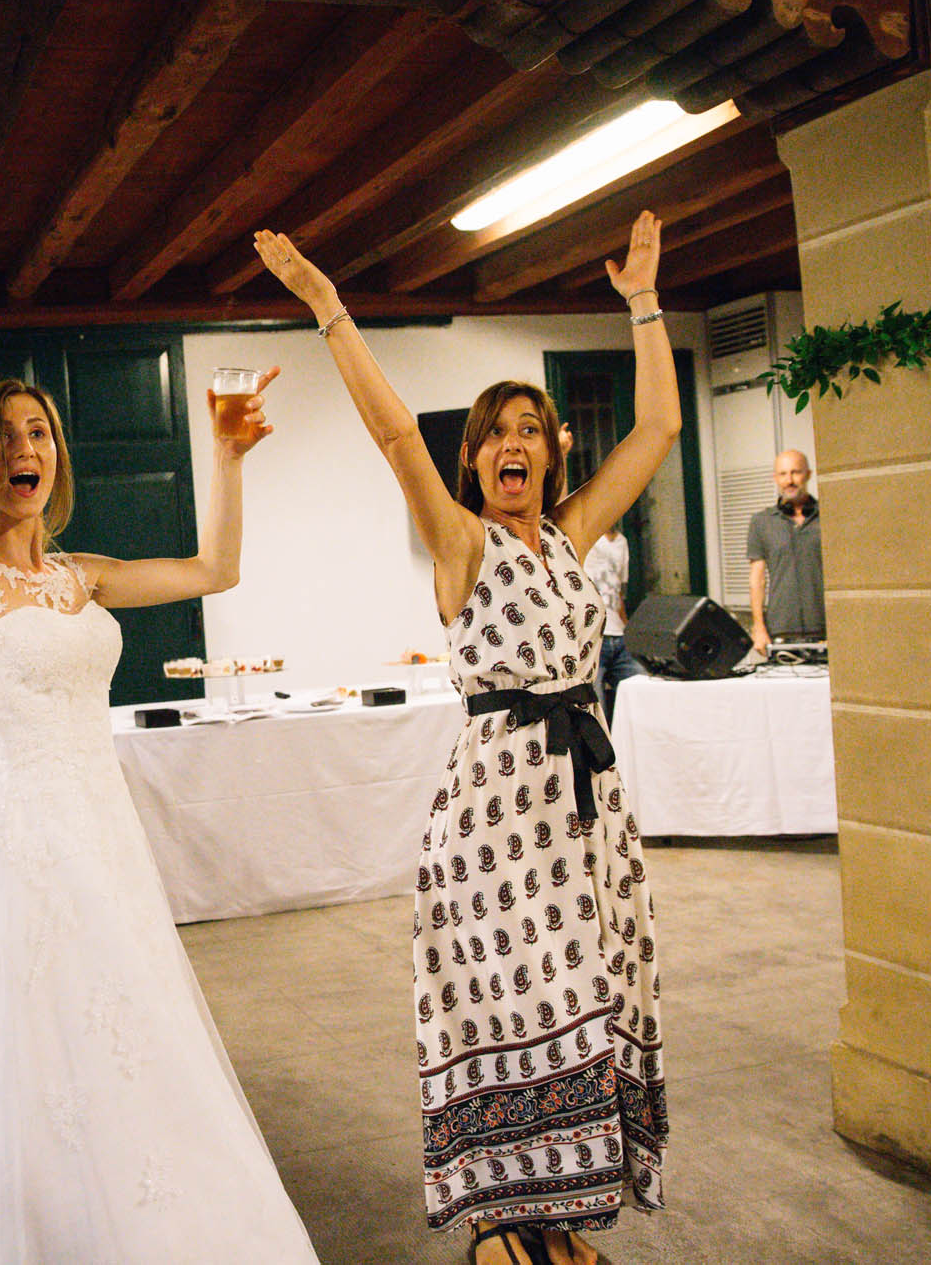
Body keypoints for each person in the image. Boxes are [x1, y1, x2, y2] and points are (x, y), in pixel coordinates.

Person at [0, 124, 315, 1262]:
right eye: (2, 435)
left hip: (104, 822)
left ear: (54, 454)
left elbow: (215, 569)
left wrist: (228, 455)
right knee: (37, 1042)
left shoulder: (82, 573)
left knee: (132, 1026)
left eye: (37, 430)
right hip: (31, 834)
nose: (23, 446)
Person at [255, 214, 675, 1265]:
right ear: (475, 459)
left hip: (582, 810)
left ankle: (557, 1217)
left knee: (584, 1002)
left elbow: (659, 428)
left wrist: (641, 303)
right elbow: (397, 435)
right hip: (497, 825)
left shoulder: (572, 539)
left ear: (553, 450)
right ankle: (501, 1220)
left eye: (529, 428)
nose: (511, 445)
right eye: (492, 433)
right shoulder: (464, 544)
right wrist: (326, 305)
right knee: (510, 1007)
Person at [747, 449, 824, 653]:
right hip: (780, 630)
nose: (789, 480)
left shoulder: (829, 516)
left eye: (795, 472)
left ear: (808, 474)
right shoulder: (761, 522)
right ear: (775, 478)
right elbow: (757, 580)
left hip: (827, 628)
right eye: (783, 474)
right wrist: (759, 628)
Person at [583, 521, 641, 723]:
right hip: (592, 637)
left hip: (619, 635)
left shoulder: (621, 542)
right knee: (596, 711)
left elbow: (619, 592)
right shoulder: (584, 535)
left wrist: (627, 628)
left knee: (640, 693)